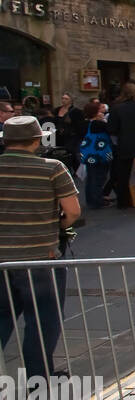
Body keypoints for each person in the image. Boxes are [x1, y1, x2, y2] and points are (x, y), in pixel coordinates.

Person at [0, 116, 81, 382]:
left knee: (2, 320)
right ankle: (39, 378)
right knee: (41, 322)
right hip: (40, 258)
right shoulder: (52, 168)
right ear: (37, 140)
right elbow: (72, 211)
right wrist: (58, 226)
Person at [79, 104, 113, 208]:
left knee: (91, 177)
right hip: (99, 154)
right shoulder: (98, 124)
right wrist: (104, 121)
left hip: (89, 155)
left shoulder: (86, 124)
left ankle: (91, 199)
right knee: (99, 177)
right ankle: (97, 200)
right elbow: (110, 129)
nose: (102, 113)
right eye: (99, 111)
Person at [52, 92, 85, 173]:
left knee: (71, 153)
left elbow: (80, 125)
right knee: (59, 153)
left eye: (66, 99)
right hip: (59, 135)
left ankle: (74, 170)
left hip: (71, 136)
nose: (63, 100)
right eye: (62, 98)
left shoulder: (76, 111)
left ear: (71, 100)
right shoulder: (57, 110)